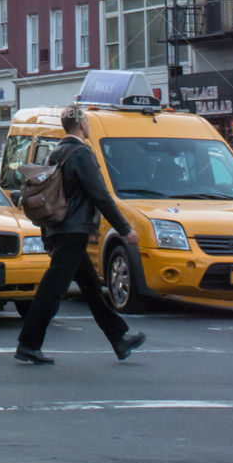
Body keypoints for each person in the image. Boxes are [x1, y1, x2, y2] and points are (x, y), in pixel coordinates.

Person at [15, 105, 146, 365]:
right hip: (74, 231)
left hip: (60, 230)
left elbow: (45, 198)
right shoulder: (81, 154)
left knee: (92, 289)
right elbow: (100, 196)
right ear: (82, 125)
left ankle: (119, 339)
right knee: (52, 289)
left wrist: (47, 237)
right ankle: (28, 344)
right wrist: (125, 229)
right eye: (86, 121)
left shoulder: (56, 153)